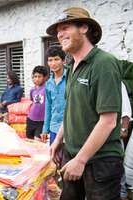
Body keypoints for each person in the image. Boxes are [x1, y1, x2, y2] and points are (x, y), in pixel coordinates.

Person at [47, 7, 123, 200]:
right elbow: (70, 111)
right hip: (71, 155)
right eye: (58, 31)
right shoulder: (71, 67)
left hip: (99, 161)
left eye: (65, 27)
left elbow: (108, 121)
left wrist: (81, 160)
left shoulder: (103, 63)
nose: (59, 34)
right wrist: (58, 141)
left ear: (84, 28)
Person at [41, 48, 66, 145]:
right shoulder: (48, 84)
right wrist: (45, 129)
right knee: (55, 158)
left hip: (70, 128)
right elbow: (48, 107)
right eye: (50, 60)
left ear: (63, 61)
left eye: (56, 59)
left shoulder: (71, 78)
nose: (53, 63)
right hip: (54, 128)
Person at [26, 66, 48, 141]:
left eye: (39, 76)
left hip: (42, 121)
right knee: (29, 141)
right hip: (31, 119)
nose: (37, 79)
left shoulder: (47, 88)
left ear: (45, 77)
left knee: (38, 141)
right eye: (35, 76)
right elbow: (33, 102)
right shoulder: (32, 90)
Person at [120, 82, 132, 200]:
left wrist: (124, 128)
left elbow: (126, 109)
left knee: (117, 164)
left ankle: (122, 194)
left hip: (114, 133)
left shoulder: (117, 83)